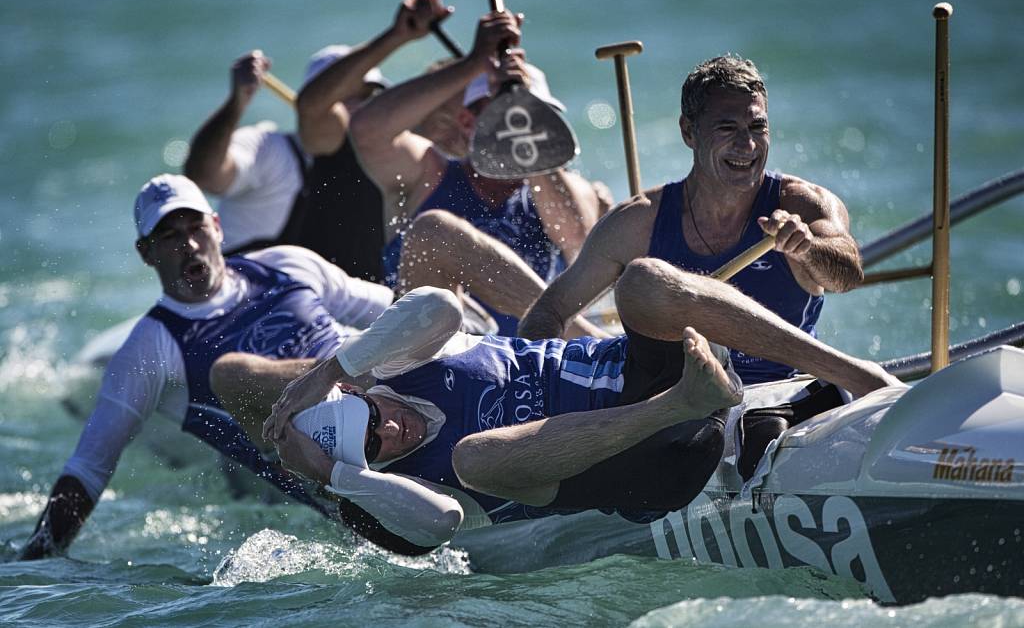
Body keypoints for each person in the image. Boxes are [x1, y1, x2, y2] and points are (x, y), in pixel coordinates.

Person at [228, 258, 897, 555]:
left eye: (373, 418)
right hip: (646, 461)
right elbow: (443, 523)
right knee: (472, 456)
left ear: (360, 395)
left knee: (643, 280)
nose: (391, 431)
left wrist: (333, 369)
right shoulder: (398, 487)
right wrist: (346, 474)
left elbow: (439, 307)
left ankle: (848, 370)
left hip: (643, 374)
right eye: (375, 445)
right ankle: (684, 403)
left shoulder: (394, 363)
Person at [17, 174, 395, 560]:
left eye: (196, 227)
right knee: (232, 373)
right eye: (169, 236)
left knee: (435, 234)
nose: (190, 245)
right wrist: (34, 560)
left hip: (400, 391)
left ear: (216, 227)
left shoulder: (287, 266)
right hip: (356, 476)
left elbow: (396, 309)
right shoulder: (151, 347)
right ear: (146, 253)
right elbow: (89, 467)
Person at [520, 55, 865, 384]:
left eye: (757, 127)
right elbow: (546, 315)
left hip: (784, 393)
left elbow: (847, 275)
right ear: (689, 131)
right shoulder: (639, 221)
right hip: (680, 408)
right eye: (727, 128)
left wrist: (808, 249)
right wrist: (552, 388)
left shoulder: (803, 204)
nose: (747, 145)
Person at [348, 0, 605, 336]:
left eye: (532, 114)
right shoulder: (427, 173)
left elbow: (576, 239)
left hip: (533, 357)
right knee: (436, 230)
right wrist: (475, 63)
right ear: (468, 123)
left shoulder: (573, 188)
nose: (519, 122)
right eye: (503, 113)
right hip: (438, 351)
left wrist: (520, 109)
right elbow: (366, 131)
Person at [184, 36, 393, 281]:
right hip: (253, 304)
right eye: (349, 98)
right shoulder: (268, 151)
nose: (362, 110)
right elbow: (204, 176)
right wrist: (236, 104)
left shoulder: (384, 161)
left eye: (369, 98)